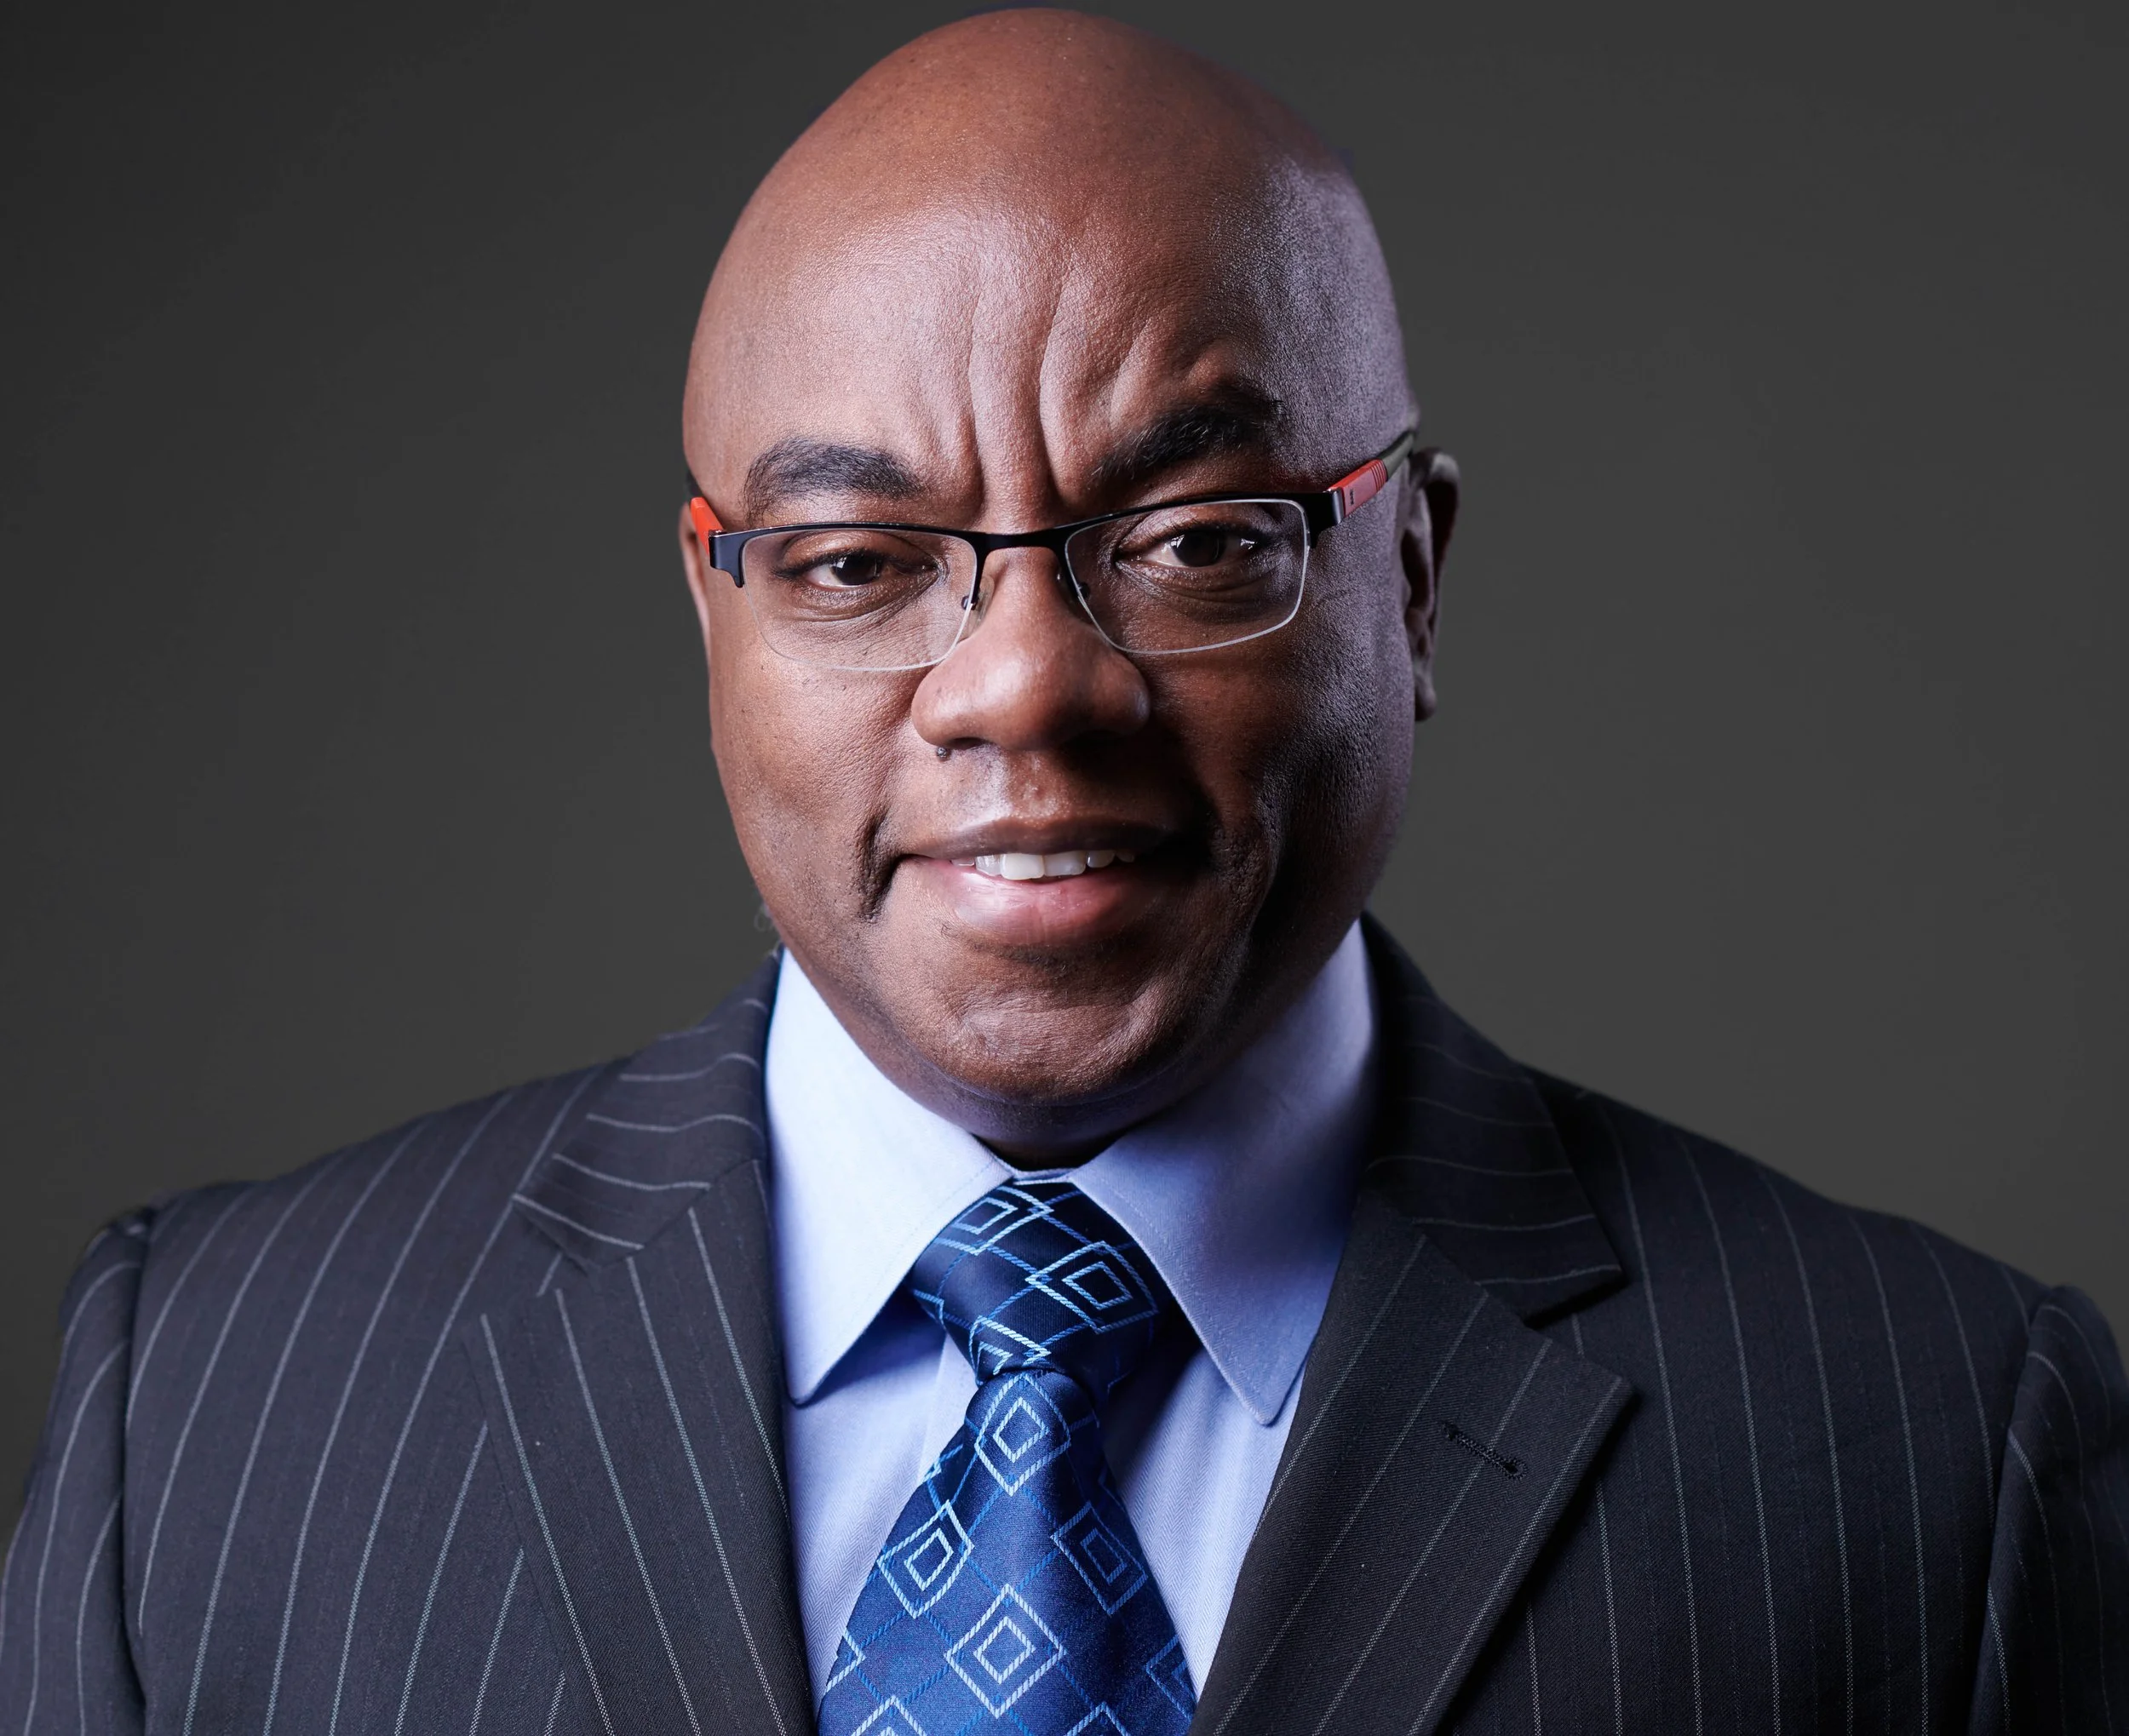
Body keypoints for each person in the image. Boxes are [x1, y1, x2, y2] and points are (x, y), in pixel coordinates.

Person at [3, 10, 2122, 1732]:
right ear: (716, 614)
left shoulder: (1932, 1448)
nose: (1021, 686)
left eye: (1198, 540)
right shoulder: (205, 1406)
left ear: (1408, 571)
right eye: (858, 564)